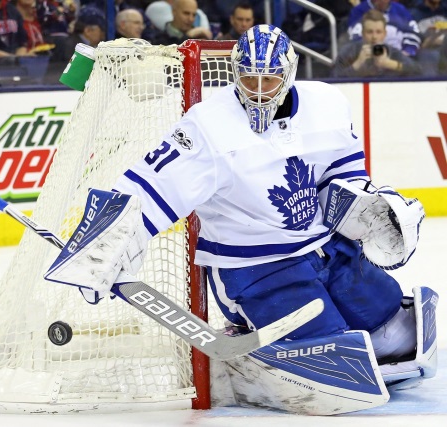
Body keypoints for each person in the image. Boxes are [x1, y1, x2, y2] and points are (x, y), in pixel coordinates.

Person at [43, 25, 432, 413]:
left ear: (290, 72)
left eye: (270, 78)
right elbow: (150, 185)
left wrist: (365, 206)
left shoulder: (326, 104)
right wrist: (106, 242)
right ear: (235, 72)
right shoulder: (207, 127)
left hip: (326, 250)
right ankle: (243, 356)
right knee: (330, 349)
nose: (259, 89)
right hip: (259, 268)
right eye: (249, 77)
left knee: (395, 335)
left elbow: (340, 174)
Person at [332, 9, 422, 77]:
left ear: (384, 34)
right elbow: (334, 77)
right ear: (362, 33)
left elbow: (418, 70)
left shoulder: (391, 52)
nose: (374, 37)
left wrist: (389, 63)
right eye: (369, 32)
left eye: (378, 32)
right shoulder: (349, 51)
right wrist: (357, 64)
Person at [347, 0, 421, 57]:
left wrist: (408, 51)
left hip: (400, 56)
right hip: (369, 58)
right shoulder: (359, 11)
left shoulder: (400, 10)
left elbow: (414, 33)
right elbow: (355, 38)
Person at [410, 0, 447, 75]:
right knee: (431, 55)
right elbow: (415, 45)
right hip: (426, 51)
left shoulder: (445, 10)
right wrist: (432, 38)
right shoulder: (413, 14)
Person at [145, 0, 210, 33]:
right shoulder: (160, 40)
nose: (191, 19)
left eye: (194, 15)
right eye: (186, 13)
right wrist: (189, 36)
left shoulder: (198, 37)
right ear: (174, 12)